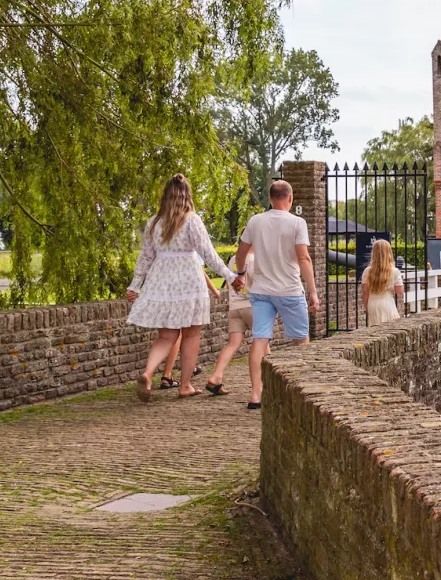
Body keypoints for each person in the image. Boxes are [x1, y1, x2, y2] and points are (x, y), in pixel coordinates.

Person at [126, 174, 235, 401]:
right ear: (187, 196)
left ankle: (148, 373)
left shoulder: (154, 222)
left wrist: (135, 285)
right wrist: (229, 275)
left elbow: (145, 257)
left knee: (166, 335)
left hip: (161, 280)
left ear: (166, 195)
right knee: (191, 334)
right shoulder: (192, 220)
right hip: (188, 280)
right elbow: (208, 254)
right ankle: (184, 385)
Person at [232, 179, 319, 410]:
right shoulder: (297, 223)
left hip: (261, 290)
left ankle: (255, 395)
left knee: (260, 339)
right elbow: (304, 258)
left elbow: (241, 253)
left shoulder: (256, 221)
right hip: (289, 290)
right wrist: (313, 292)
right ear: (290, 198)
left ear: (270, 199)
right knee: (301, 340)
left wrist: (240, 273)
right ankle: (305, 390)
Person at [203, 255, 251, 396]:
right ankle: (269, 380)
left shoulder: (233, 259)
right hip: (252, 305)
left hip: (235, 306)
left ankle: (216, 376)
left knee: (232, 344)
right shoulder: (256, 258)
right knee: (262, 342)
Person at [360, 238, 405, 327]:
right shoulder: (394, 271)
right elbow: (400, 291)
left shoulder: (367, 271)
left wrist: (366, 307)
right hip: (387, 303)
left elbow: (365, 292)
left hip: (372, 303)